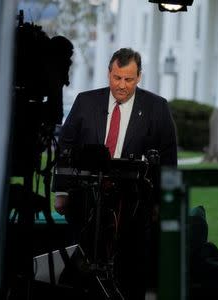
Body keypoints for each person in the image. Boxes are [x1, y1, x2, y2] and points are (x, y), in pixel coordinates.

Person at [54, 47, 177, 299]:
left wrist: (162, 203)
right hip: (86, 199)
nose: (121, 85)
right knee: (81, 267)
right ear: (109, 73)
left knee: (130, 270)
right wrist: (63, 190)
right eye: (117, 78)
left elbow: (169, 159)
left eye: (129, 79)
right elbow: (66, 145)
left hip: (133, 205)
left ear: (139, 77)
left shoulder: (157, 107)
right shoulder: (85, 101)